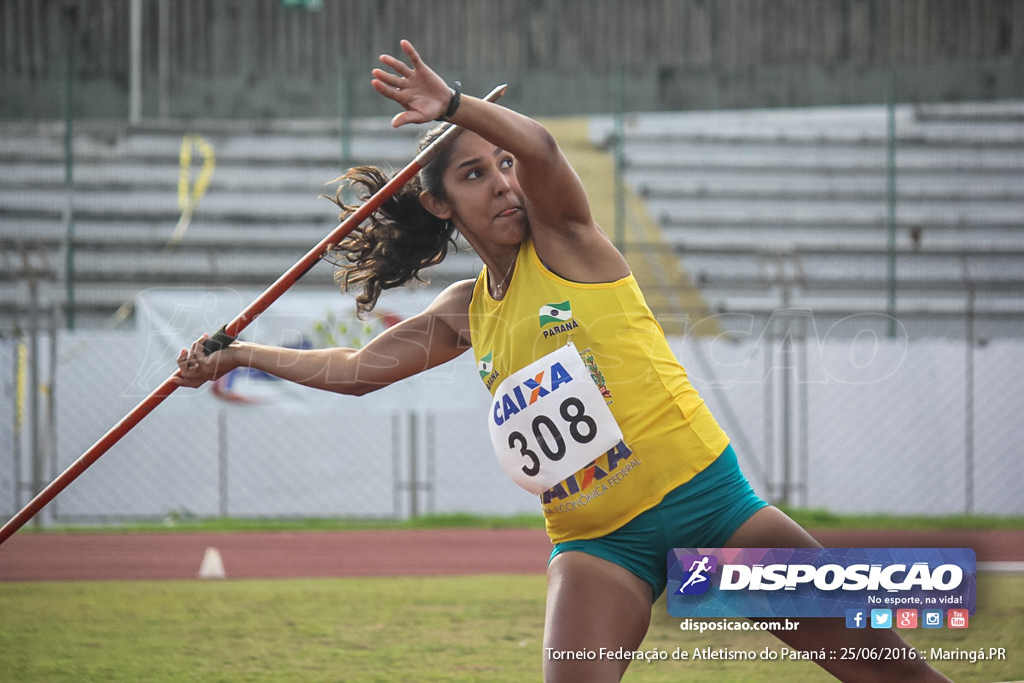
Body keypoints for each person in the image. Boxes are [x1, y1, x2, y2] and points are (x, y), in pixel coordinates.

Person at [175, 40, 950, 683]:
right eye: (475, 174)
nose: (504, 182)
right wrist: (240, 353)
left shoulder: (568, 240)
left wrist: (453, 109)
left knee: (890, 674)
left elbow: (539, 146)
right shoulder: (467, 311)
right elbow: (354, 370)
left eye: (501, 165)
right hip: (597, 546)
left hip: (712, 512)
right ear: (441, 203)